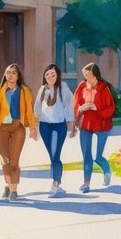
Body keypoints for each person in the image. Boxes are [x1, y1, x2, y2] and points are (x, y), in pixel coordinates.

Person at [0, 63, 38, 201]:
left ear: (18, 76)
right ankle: (9, 184)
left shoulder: (24, 91)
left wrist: (33, 129)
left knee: (14, 160)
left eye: (13, 73)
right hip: (1, 128)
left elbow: (29, 110)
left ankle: (13, 190)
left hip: (17, 127)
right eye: (8, 72)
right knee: (5, 160)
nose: (10, 75)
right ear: (5, 75)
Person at [73, 62, 116, 193]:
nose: (86, 78)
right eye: (85, 75)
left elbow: (111, 108)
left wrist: (98, 109)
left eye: (88, 75)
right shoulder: (81, 86)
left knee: (98, 157)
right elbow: (75, 104)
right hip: (86, 123)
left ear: (95, 75)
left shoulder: (103, 88)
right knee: (86, 155)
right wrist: (80, 108)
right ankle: (86, 183)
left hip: (102, 124)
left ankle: (107, 170)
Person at [35, 63, 76, 198]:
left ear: (57, 75)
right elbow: (37, 107)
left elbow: (70, 105)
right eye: (47, 74)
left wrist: (71, 123)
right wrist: (33, 127)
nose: (50, 76)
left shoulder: (62, 87)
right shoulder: (42, 89)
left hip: (59, 125)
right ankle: (58, 182)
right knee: (51, 155)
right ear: (44, 77)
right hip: (45, 125)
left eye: (53, 74)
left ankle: (55, 183)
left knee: (55, 155)